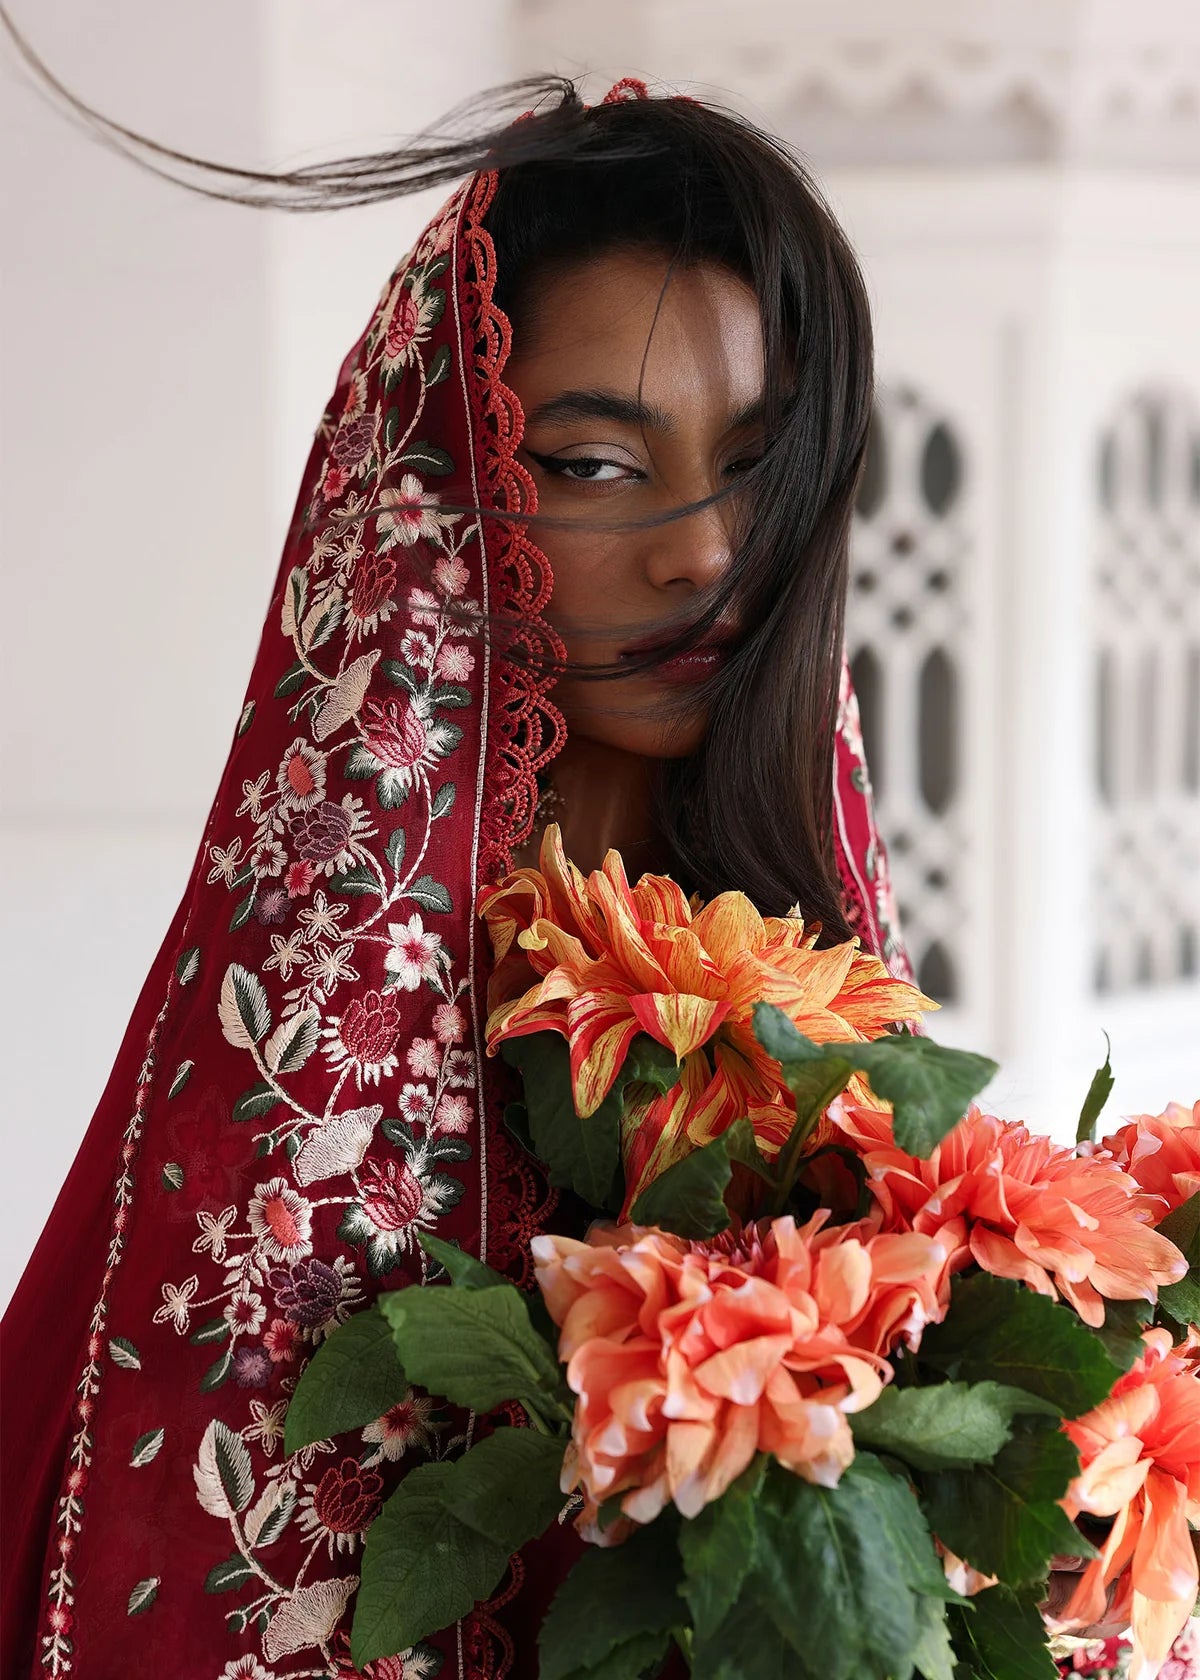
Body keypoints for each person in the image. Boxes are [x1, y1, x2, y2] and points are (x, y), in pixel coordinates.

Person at [1, 68, 912, 1679]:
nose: (706, 552)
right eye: (598, 463)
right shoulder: (336, 1046)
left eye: (753, 465)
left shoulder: (808, 979)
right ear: (443, 493)